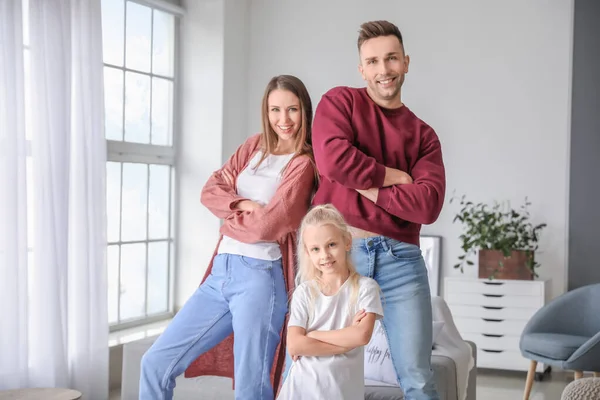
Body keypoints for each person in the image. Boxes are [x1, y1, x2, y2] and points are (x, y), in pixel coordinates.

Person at [139, 75, 317, 400]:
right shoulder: (253, 147)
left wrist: (227, 221)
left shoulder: (303, 165)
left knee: (251, 389)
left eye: (292, 110)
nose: (284, 119)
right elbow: (210, 190)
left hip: (260, 278)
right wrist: (244, 204)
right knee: (155, 363)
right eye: (275, 110)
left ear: (305, 111)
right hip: (221, 274)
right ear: (266, 111)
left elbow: (270, 226)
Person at [310, 21, 446, 399]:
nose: (382, 70)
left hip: (400, 260)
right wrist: (392, 177)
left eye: (390, 59)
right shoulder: (340, 102)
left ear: (406, 62)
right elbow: (333, 160)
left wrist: (362, 184)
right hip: (337, 256)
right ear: (361, 69)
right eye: (372, 61)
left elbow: (428, 204)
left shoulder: (424, 135)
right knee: (308, 364)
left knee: (417, 377)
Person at [277, 204, 384, 400]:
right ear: (308, 253)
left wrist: (314, 335)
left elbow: (361, 336)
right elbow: (295, 345)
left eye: (331, 245)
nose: (324, 255)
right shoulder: (305, 292)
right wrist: (345, 343)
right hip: (301, 391)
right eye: (315, 249)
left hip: (343, 393)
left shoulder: (366, 288)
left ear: (347, 242)